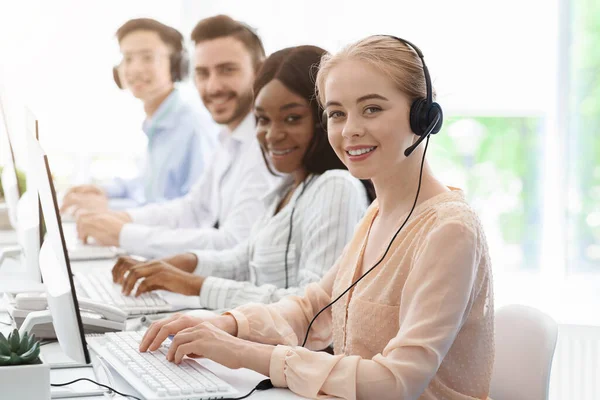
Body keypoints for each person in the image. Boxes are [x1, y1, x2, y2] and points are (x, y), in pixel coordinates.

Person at [138, 35, 494, 400]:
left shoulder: (449, 230)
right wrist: (224, 324)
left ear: (424, 116)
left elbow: (397, 383)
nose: (350, 129)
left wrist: (242, 353)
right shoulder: (378, 213)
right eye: (337, 113)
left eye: (372, 109)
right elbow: (315, 308)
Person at [110, 45, 374, 311]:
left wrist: (193, 285)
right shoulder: (286, 188)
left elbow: (315, 308)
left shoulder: (336, 187)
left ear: (325, 119)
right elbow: (241, 260)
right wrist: (175, 264)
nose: (272, 134)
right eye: (263, 119)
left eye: (292, 118)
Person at [73, 15, 280, 259]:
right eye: (202, 73)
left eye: (228, 70)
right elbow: (192, 208)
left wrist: (124, 233)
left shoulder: (267, 146)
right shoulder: (229, 139)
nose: (213, 86)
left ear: (260, 72)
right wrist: (124, 219)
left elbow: (234, 243)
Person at [61, 18, 217, 211]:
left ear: (177, 66)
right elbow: (149, 187)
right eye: (128, 58)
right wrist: (104, 191)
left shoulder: (192, 126)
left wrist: (108, 207)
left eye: (147, 57)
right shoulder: (157, 122)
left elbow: (194, 211)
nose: (134, 69)